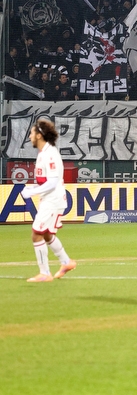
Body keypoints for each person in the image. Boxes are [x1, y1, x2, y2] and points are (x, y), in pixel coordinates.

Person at [20, 119, 77, 283]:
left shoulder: (50, 154)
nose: (30, 136)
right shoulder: (43, 153)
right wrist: (33, 188)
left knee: (36, 233)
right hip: (49, 199)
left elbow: (52, 182)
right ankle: (66, 262)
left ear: (39, 135)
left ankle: (45, 273)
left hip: (53, 200)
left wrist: (31, 192)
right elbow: (45, 181)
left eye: (32, 133)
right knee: (46, 233)